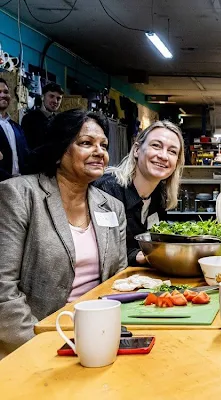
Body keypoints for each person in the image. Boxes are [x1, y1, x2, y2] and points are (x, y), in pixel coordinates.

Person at [0, 109, 127, 357]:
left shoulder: (112, 207)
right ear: (60, 150)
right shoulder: (20, 196)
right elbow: (3, 291)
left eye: (104, 145)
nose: (99, 152)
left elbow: (117, 283)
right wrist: (43, 347)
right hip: (33, 342)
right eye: (86, 143)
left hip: (98, 338)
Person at [94, 120, 185, 266]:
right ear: (137, 150)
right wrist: (137, 256)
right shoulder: (107, 189)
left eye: (172, 151)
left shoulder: (159, 196)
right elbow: (102, 250)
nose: (163, 156)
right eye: (156, 146)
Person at [0, 78, 30, 182]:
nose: (3, 95)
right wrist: (9, 178)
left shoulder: (16, 127)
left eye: (6, 92)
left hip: (19, 184)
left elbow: (26, 156)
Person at [21, 82, 64, 150]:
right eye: (51, 96)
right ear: (42, 97)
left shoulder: (60, 121)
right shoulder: (29, 119)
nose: (55, 101)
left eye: (58, 98)